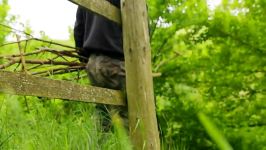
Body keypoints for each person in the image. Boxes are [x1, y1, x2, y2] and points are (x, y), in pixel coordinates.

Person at [74, 0, 127, 131]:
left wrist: (85, 59)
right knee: (129, 115)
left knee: (103, 114)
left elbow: (78, 29)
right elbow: (142, 27)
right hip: (119, 61)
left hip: (93, 64)